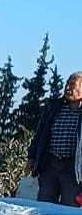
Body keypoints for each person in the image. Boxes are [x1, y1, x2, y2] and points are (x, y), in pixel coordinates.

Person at [27, 72, 82, 206]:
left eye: (72, 85)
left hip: (73, 167)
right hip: (50, 163)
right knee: (44, 205)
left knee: (70, 207)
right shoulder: (54, 106)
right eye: (67, 84)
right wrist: (32, 156)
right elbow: (40, 133)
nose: (68, 88)